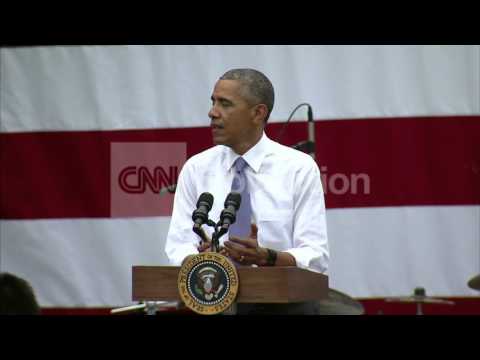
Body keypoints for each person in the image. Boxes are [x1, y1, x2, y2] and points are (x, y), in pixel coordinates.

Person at [165, 68, 329, 314]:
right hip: (209, 301)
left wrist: (266, 257)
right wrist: (206, 261)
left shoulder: (299, 168)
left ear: (258, 113)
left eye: (225, 104)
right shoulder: (196, 168)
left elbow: (315, 258)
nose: (212, 112)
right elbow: (179, 246)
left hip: (283, 306)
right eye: (213, 102)